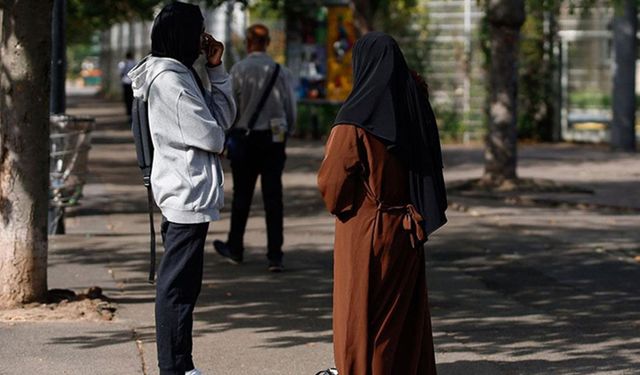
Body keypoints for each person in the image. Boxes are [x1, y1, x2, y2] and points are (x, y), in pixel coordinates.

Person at [317, 32, 448, 375]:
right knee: (399, 319)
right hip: (407, 229)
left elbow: (332, 187)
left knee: (362, 316)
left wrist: (349, 207)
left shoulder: (354, 120)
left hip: (366, 230)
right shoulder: (414, 109)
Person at [128, 3, 236, 375]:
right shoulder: (170, 81)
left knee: (183, 288)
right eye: (200, 31)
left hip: (185, 191)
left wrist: (216, 69)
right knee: (176, 289)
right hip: (186, 193)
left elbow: (221, 120)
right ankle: (173, 368)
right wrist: (218, 133)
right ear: (184, 34)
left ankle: (181, 365)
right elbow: (213, 133)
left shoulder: (181, 74)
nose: (205, 40)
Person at [213, 24, 297, 272]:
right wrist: (288, 131)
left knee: (242, 196)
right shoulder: (281, 71)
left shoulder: (239, 70)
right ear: (268, 42)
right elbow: (290, 107)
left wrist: (226, 134)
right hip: (273, 140)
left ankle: (236, 247)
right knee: (273, 198)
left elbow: (230, 107)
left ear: (249, 43)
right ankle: (275, 255)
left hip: (244, 140)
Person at [118, 51, 136, 118]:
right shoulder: (134, 63)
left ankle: (128, 112)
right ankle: (132, 111)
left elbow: (121, 74)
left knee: (126, 98)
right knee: (132, 98)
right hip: (132, 82)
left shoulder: (122, 64)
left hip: (125, 82)